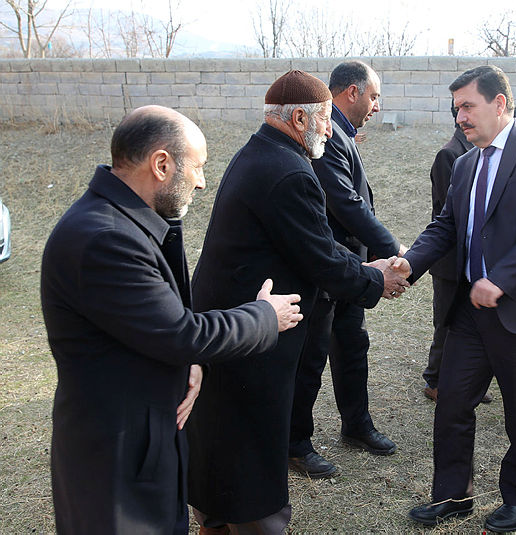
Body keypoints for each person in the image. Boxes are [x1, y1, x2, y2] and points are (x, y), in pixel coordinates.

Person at [40, 105, 303, 534]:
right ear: (162, 164)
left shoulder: (130, 223)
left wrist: (191, 365)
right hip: (115, 460)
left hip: (141, 441)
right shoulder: (105, 239)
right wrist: (263, 317)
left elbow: (153, 325)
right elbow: (181, 332)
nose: (201, 181)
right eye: (197, 166)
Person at [186, 70, 409, 534]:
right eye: (326, 119)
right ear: (302, 117)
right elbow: (323, 257)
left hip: (233, 325)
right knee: (251, 447)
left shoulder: (262, 152)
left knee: (224, 436)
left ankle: (214, 517)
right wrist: (375, 278)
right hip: (252, 334)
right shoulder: (288, 171)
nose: (331, 130)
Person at [396, 65, 516, 532]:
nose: (460, 117)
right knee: (453, 403)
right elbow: (447, 225)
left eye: (468, 106)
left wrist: (500, 278)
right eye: (456, 108)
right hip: (471, 313)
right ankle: (454, 494)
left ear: (500, 103)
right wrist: (410, 263)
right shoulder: (464, 163)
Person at [289, 60, 404, 478]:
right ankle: (296, 443)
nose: (377, 106)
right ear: (351, 92)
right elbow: (345, 203)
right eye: (373, 96)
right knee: (312, 355)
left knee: (352, 346)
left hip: (352, 266)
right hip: (329, 267)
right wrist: (393, 250)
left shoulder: (341, 132)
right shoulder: (327, 133)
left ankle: (357, 425)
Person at [423, 98, 475, 403]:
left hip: (469, 257)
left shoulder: (473, 151)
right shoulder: (449, 154)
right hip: (449, 258)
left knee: (466, 324)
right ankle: (435, 380)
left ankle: (461, 380)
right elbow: (447, 212)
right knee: (445, 321)